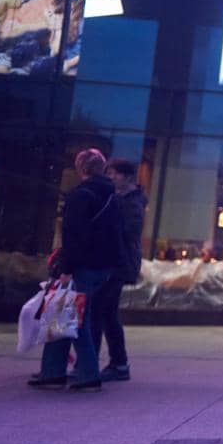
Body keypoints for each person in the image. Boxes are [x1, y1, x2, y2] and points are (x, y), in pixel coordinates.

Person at [29, 149, 126, 393]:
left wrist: (66, 268)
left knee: (72, 318)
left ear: (81, 168)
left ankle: (86, 375)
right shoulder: (112, 197)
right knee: (64, 315)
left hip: (82, 265)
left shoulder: (81, 196)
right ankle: (54, 372)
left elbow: (74, 236)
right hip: (104, 267)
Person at [89, 158, 146, 382]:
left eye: (113, 174)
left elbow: (128, 232)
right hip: (117, 261)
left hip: (119, 263)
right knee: (107, 312)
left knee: (100, 310)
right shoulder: (122, 199)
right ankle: (117, 363)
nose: (110, 177)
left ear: (126, 177)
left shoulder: (131, 203)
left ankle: (101, 361)